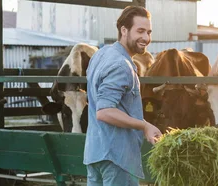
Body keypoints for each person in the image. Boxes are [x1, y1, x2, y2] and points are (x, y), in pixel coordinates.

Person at [83, 6, 162, 186]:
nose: (146, 38)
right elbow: (104, 111)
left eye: (148, 32)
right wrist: (144, 125)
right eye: (140, 31)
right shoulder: (121, 65)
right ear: (124, 30)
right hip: (117, 156)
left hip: (95, 152)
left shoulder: (101, 54)